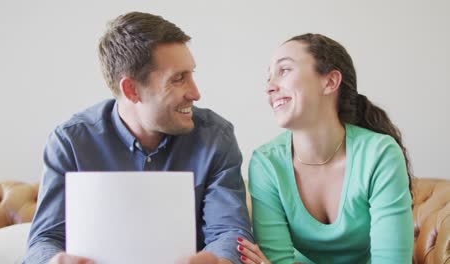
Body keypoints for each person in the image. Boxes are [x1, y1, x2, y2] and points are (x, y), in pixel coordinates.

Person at [24, 11, 253, 264]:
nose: (195, 93)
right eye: (178, 79)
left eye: (191, 74)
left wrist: (221, 260)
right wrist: (52, 261)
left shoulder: (216, 137)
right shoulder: (70, 142)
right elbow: (44, 239)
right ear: (131, 90)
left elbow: (229, 231)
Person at [236, 34, 413, 263]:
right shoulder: (266, 163)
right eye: (268, 76)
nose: (269, 87)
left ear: (329, 82)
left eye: (284, 70)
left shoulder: (379, 154)